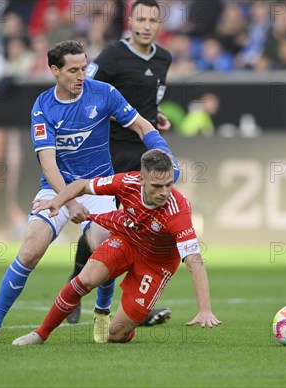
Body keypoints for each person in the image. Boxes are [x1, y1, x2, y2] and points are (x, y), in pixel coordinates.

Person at [0, 40, 178, 344]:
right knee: (30, 251)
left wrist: (164, 151)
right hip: (56, 188)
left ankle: (102, 311)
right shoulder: (43, 106)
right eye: (73, 70)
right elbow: (48, 163)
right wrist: (66, 203)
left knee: (103, 245)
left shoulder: (103, 93)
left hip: (97, 187)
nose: (81, 75)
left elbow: (140, 125)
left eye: (84, 68)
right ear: (54, 70)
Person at [12, 149, 221, 345]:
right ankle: (40, 334)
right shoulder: (126, 182)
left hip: (156, 264)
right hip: (126, 241)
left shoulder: (178, 211)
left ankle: (128, 322)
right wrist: (58, 202)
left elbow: (194, 259)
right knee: (84, 280)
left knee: (115, 334)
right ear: (141, 180)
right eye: (157, 186)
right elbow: (83, 184)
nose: (164, 192)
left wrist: (205, 310)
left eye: (168, 185)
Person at [66, 0, 173, 326]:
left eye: (152, 20)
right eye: (140, 18)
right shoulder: (112, 56)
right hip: (108, 152)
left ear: (159, 24)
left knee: (142, 230)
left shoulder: (164, 58)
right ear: (130, 21)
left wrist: (156, 118)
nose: (146, 25)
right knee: (103, 229)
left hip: (142, 156)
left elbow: (150, 100)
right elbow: (87, 92)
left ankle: (133, 308)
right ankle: (75, 286)